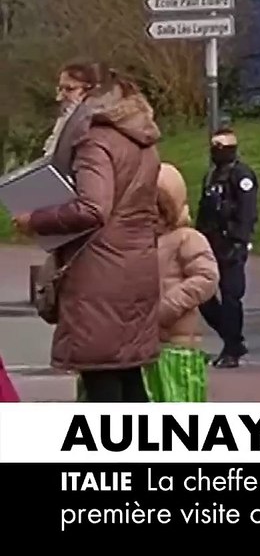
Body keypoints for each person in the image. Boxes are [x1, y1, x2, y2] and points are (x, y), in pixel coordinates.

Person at [11, 62, 162, 403]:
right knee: (127, 373)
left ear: (93, 93)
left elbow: (94, 207)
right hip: (136, 264)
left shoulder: (95, 139)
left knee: (103, 381)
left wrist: (36, 219)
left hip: (100, 270)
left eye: (68, 89)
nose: (60, 97)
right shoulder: (139, 136)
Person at [149, 163, 219, 401]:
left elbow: (206, 277)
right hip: (146, 344)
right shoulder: (137, 241)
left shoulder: (186, 238)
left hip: (178, 343)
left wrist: (169, 306)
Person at [195, 126, 258, 368]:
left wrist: (239, 241)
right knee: (204, 296)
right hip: (210, 244)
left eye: (221, 147)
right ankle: (232, 339)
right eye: (214, 147)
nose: (216, 152)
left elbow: (247, 211)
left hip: (231, 244)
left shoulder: (241, 175)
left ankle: (231, 349)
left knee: (232, 297)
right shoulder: (210, 176)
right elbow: (204, 210)